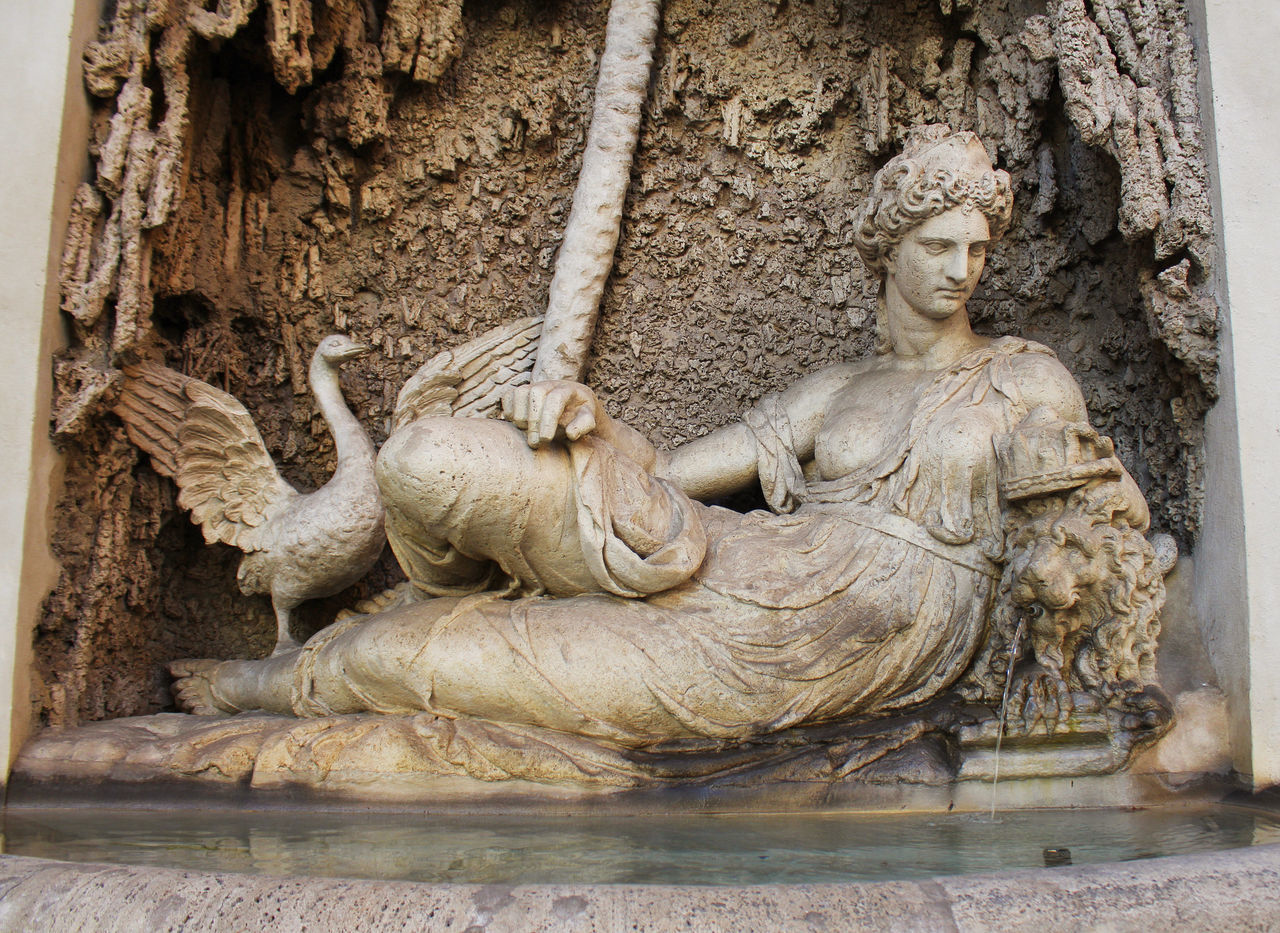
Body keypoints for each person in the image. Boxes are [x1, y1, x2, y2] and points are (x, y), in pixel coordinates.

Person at [171, 127, 1150, 754]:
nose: (960, 269)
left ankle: (279, 682)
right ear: (885, 250)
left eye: (976, 247)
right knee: (426, 460)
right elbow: (672, 479)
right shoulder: (836, 389)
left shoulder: (1023, 375)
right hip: (737, 564)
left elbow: (1085, 531)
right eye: (936, 245)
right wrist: (588, 423)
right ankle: (427, 591)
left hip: (843, 638)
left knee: (458, 663)